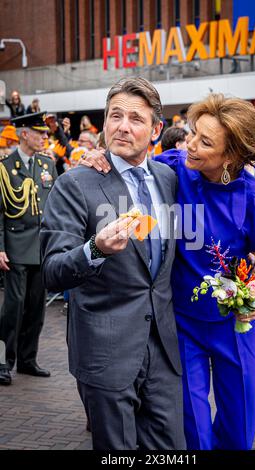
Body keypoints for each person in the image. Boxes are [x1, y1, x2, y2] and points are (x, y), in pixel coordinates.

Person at [83, 93, 255, 450]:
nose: (189, 144)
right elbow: (130, 164)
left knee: (238, 430)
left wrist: (254, 292)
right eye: (193, 133)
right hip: (181, 325)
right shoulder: (176, 167)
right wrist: (99, 155)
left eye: (204, 142)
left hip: (236, 326)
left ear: (231, 156)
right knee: (191, 430)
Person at [40, 77, 185, 451]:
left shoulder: (169, 178)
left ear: (155, 130)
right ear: (104, 122)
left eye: (136, 119)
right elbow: (52, 271)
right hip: (105, 353)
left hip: (163, 352)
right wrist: (95, 249)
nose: (123, 126)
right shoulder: (75, 183)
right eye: (115, 115)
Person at [0, 112, 57, 386]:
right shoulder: (5, 166)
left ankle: (27, 359)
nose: (46, 137)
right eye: (40, 133)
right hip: (14, 247)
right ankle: (3, 361)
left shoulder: (46, 163)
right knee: (13, 308)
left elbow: (56, 206)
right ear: (24, 134)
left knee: (36, 308)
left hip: (41, 247)